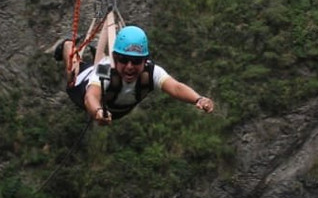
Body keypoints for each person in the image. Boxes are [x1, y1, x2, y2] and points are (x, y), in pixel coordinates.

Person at [57, 24, 214, 126]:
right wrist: (98, 111)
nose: (130, 67)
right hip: (81, 89)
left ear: (145, 60)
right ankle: (67, 46)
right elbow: (90, 96)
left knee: (101, 68)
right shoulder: (105, 70)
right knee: (74, 71)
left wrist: (198, 99)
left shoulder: (151, 72)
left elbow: (176, 87)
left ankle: (95, 54)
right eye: (124, 60)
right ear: (115, 58)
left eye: (136, 61)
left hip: (116, 109)